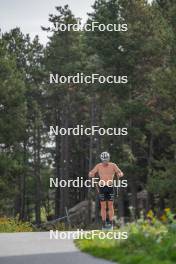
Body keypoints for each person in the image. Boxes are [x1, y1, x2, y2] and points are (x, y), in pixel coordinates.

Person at [89, 151, 124, 229]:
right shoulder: (98, 166)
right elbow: (92, 172)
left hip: (110, 187)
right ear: (101, 159)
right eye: (104, 160)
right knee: (103, 206)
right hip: (102, 188)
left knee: (111, 205)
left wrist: (120, 174)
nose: (105, 162)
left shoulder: (113, 165)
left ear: (109, 158)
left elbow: (120, 172)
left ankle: (111, 222)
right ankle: (104, 222)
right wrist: (91, 173)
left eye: (107, 160)